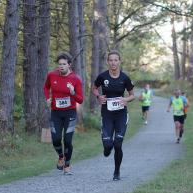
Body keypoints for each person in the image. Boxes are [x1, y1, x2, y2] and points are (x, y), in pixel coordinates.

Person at [92, 50, 135, 181]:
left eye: (116, 60)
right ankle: (106, 149)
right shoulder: (102, 76)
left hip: (121, 115)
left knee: (117, 144)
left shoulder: (125, 78)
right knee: (108, 146)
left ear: (119, 61)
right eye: (111, 60)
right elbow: (94, 88)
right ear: (108, 62)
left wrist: (126, 100)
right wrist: (99, 96)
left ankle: (116, 172)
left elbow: (132, 94)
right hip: (107, 115)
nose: (113, 63)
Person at [44, 52, 83, 175]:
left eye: (64, 64)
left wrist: (72, 92)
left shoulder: (75, 79)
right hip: (56, 113)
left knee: (67, 140)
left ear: (69, 65)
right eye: (59, 64)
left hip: (70, 113)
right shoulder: (51, 75)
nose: (61, 66)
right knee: (55, 139)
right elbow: (46, 88)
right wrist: (47, 99)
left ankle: (67, 165)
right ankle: (61, 156)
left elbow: (80, 99)